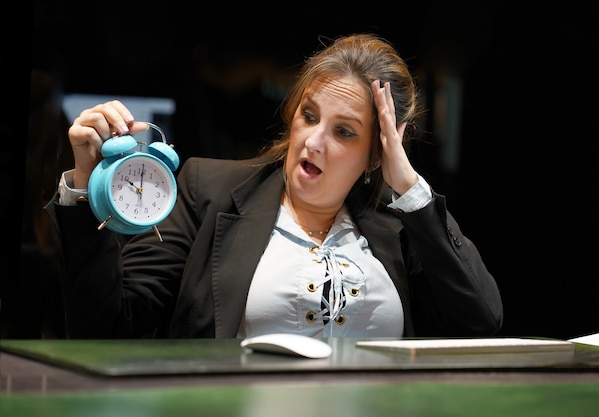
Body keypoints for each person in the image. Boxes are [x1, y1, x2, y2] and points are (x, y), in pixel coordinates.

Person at [45, 33, 503, 339]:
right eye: (309, 116)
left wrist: (408, 188)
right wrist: (86, 186)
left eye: (345, 132)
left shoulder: (400, 225)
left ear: (377, 151)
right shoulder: (207, 189)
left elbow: (482, 322)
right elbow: (108, 328)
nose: (314, 141)